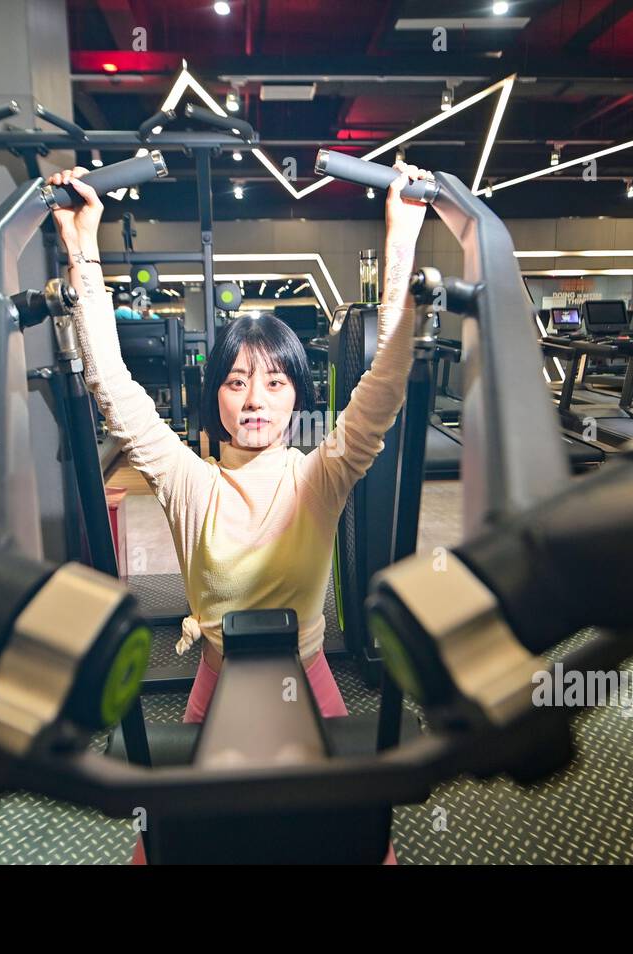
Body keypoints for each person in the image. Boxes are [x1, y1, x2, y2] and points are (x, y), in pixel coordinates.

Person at [48, 160, 430, 865]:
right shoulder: (185, 480)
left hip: (309, 679)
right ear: (215, 397)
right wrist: (83, 245)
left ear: (296, 396)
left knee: (363, 847)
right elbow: (108, 380)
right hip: (217, 679)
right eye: (236, 381)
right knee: (169, 848)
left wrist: (401, 233)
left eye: (275, 381)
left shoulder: (323, 474)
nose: (255, 398)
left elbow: (386, 383)